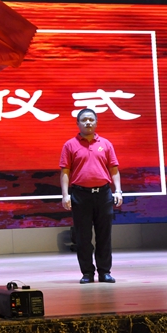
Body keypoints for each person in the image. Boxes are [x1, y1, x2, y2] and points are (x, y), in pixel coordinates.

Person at [60, 108, 123, 284]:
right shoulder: (70, 145)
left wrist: (118, 190)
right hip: (80, 195)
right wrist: (65, 195)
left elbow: (114, 169)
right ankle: (87, 273)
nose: (88, 122)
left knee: (104, 235)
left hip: (103, 194)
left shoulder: (106, 144)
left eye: (91, 119)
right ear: (78, 123)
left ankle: (105, 272)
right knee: (83, 237)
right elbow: (65, 172)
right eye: (84, 120)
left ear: (96, 122)